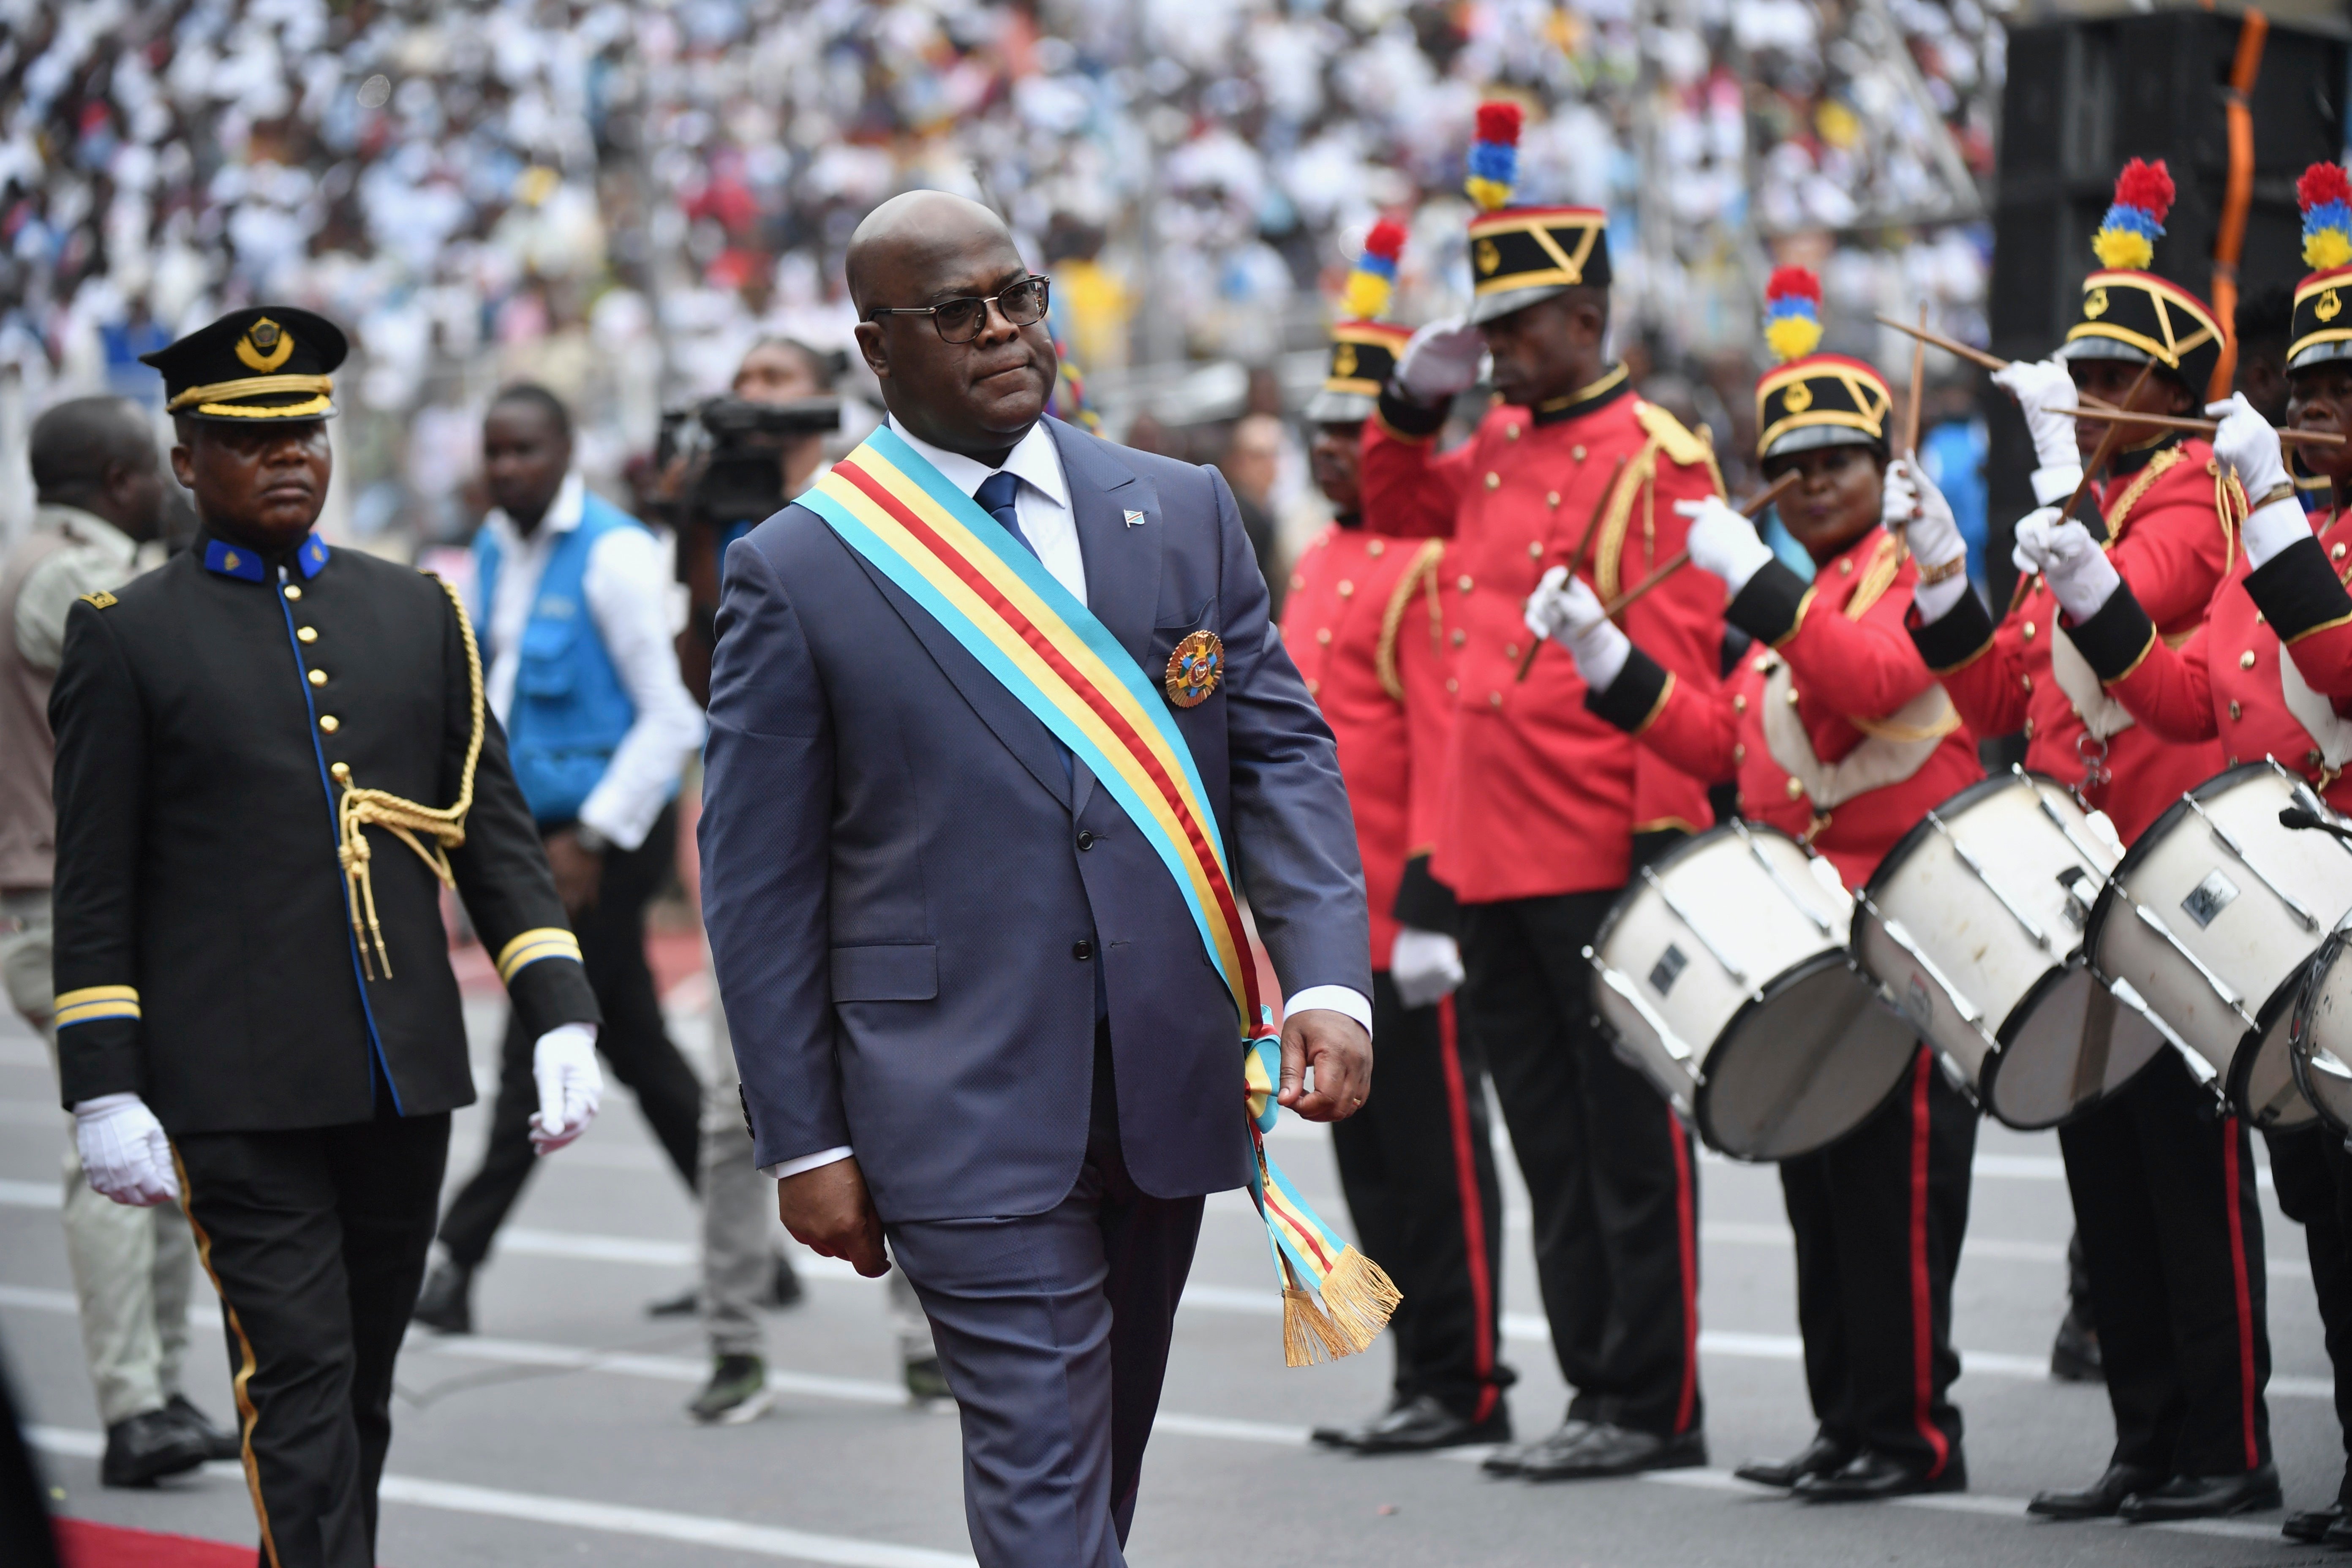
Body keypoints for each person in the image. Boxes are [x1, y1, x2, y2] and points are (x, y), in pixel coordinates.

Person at [698, 190, 1374, 1568]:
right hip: (951, 1101)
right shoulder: (800, 568)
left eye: (1018, 297)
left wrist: (1322, 974)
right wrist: (804, 1139)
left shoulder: (1178, 510)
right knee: (1039, 1467)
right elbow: (754, 884)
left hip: (1169, 1084)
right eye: (956, 312)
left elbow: (1278, 757)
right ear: (875, 349)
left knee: (1095, 1459)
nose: (1003, 331)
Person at [48, 307, 603, 1568]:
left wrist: (561, 1006)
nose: (289, 456)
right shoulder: (126, 636)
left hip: (399, 1075)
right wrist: (104, 1090)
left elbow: (494, 838)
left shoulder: (416, 613)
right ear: (187, 461)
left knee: (357, 1379)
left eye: (304, 430)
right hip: (234, 1089)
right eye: (250, 438)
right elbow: (96, 887)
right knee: (297, 1376)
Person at [1527, 267, 1980, 1500]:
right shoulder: (1813, 594)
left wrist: (1759, 587)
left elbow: (1876, 686)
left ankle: (1910, 1433)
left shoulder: (1905, 576)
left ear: (1883, 469)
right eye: (1797, 465)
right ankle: (1850, 1420)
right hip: (1809, 935)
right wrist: (1604, 655)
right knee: (1823, 1187)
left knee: (1894, 1194)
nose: (1817, 481)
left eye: (1840, 459)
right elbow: (1721, 745)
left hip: (1909, 924)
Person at [1904, 159, 2274, 1524]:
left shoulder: (2186, 495)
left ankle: (2226, 1438)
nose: (2091, 389)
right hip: (2073, 866)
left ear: (2176, 395)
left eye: (2116, 373)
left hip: (2167, 861)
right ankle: (2144, 1433)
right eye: (2083, 370)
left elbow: (2146, 607)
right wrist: (1945, 580)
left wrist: (2062, 481)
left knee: (2180, 1158)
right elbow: (2001, 692)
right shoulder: (2089, 509)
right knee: (2100, 1159)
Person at [1358, 100, 1723, 1481]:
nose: (1496, 351)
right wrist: (1415, 391)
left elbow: (1671, 670)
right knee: (1546, 1144)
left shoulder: (1652, 455)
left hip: (1592, 848)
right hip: (1488, 856)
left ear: (1585, 317)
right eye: (1487, 333)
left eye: (1513, 330)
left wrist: (1656, 855)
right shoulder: (1493, 447)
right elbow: (1387, 502)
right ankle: (1593, 1390)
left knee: (1623, 1142)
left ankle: (1652, 1398)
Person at [2028, 163, 2352, 1542]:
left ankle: (2228, 1440)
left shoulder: (2261, 527)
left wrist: (2271, 524)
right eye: (2305, 402)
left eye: (2339, 401)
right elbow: (2190, 701)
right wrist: (2083, 594)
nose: (2314, 420)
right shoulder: (2266, 537)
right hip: (2285, 918)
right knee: (2319, 1213)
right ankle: (2197, 1444)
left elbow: (2336, 665)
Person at [414, 384, 708, 1334]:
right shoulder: (497, 547)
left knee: (539, 1027)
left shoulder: (617, 554)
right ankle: (746, 1238)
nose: (507, 469)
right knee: (631, 1042)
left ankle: (456, 1257)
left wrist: (590, 837)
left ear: (567, 450)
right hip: (534, 839)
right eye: (494, 452)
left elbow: (673, 716)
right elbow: (497, 691)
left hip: (605, 842)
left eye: (525, 450)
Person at [1283, 286, 1512, 1454]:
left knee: (1439, 1157)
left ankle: (1469, 1376)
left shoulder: (1430, 566)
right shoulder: (1318, 556)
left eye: (1349, 433)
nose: (1334, 453)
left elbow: (1444, 742)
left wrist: (1430, 904)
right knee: (1370, 1158)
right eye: (1320, 436)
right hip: (1328, 931)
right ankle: (1419, 1375)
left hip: (1400, 919)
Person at [0, 395, 238, 1486]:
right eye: (157, 469)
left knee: (157, 1144)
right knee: (110, 1150)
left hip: (65, 896)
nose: (173, 486)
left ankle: (155, 1392)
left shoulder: (29, 558)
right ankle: (134, 1404)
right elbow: (158, 654)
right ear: (114, 478)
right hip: (68, 902)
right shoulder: (57, 575)